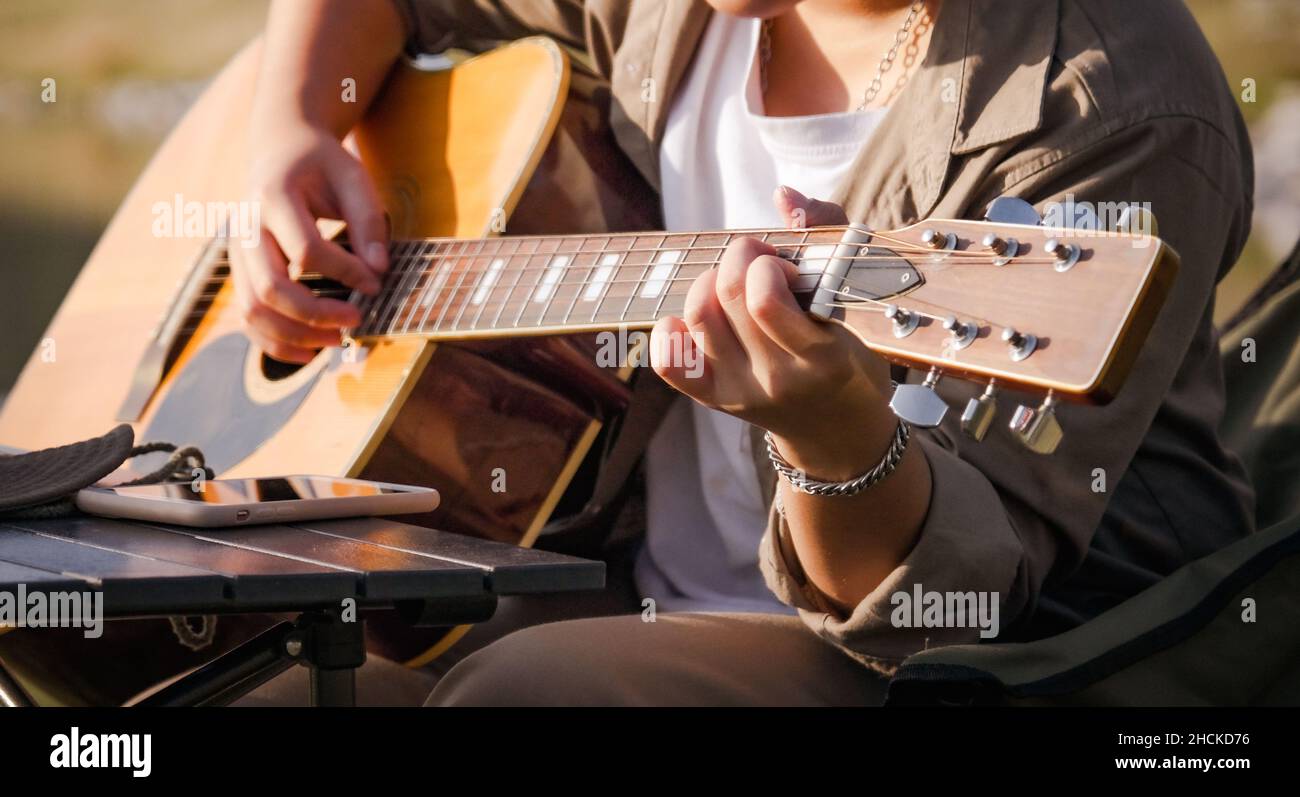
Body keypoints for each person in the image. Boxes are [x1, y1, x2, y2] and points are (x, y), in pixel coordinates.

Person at [231, 0, 1256, 705]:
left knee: (529, 694)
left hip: (970, 663)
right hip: (625, 578)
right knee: (256, 675)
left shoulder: (1105, 102)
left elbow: (952, 605)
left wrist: (834, 435)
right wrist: (288, 127)